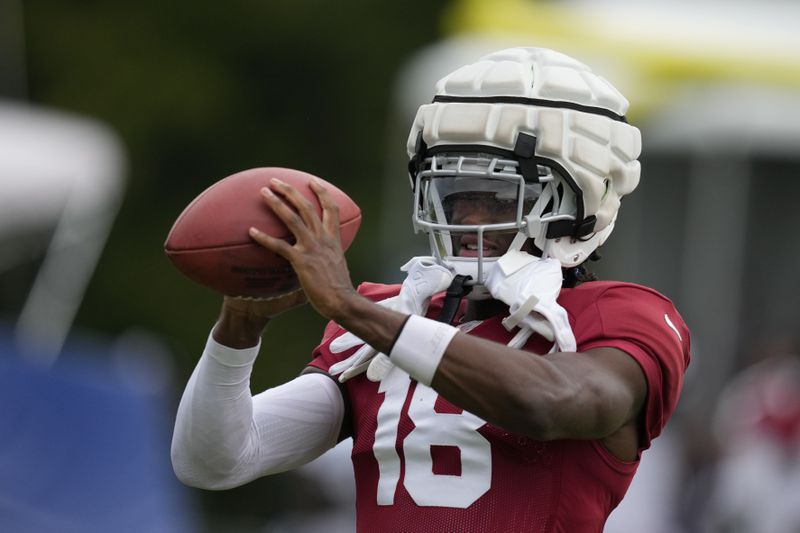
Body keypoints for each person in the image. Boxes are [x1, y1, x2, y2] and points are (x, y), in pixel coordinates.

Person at [171, 47, 691, 532]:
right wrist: (238, 329)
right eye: (454, 196)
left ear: (581, 203)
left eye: (495, 199)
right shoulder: (390, 314)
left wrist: (352, 308)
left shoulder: (619, 314)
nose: (466, 220)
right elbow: (217, 461)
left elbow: (550, 402)